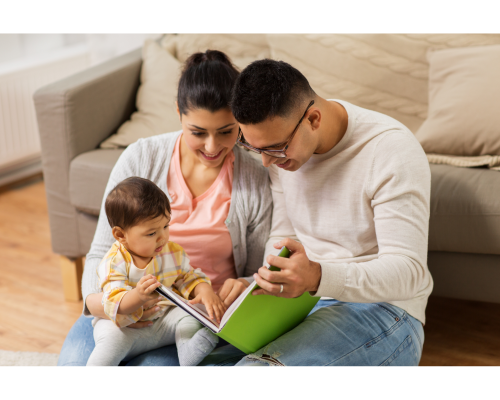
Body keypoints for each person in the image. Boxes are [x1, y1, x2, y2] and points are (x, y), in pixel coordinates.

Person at [199, 59, 433, 366]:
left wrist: (318, 277)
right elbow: (285, 234)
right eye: (254, 148)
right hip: (301, 302)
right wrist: (261, 283)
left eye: (276, 148)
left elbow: (409, 273)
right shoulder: (281, 155)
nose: (267, 162)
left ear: (313, 118)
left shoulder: (390, 150)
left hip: (384, 310)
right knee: (163, 364)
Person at [57, 50, 272, 366]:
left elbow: (257, 271)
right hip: (117, 309)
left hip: (190, 321)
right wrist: (105, 306)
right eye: (198, 132)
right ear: (178, 112)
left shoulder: (254, 179)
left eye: (226, 131)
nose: (212, 147)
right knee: (76, 368)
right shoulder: (140, 158)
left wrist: (242, 285)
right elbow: (100, 251)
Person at [86, 177, 225, 366]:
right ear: (121, 235)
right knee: (110, 341)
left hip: (162, 322)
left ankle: (188, 353)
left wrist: (205, 291)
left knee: (188, 314)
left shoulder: (172, 252)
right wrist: (138, 296)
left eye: (166, 226)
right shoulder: (114, 261)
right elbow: (113, 302)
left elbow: (188, 277)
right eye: (151, 233)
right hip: (125, 327)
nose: (162, 237)